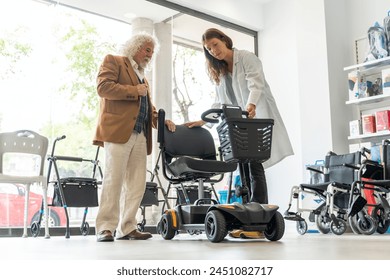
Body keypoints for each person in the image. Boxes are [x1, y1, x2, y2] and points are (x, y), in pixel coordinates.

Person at [184, 28, 293, 239]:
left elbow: (256, 83)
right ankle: (246, 214)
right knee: (242, 163)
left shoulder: (246, 58)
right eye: (209, 49)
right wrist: (203, 120)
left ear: (224, 40)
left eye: (215, 44)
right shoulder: (221, 72)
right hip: (238, 123)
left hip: (255, 116)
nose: (213, 51)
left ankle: (258, 217)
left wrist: (251, 105)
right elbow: (220, 101)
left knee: (254, 163)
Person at [93, 32, 176, 242]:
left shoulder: (143, 77)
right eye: (147, 49)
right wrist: (134, 90)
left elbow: (148, 107)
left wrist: (161, 120)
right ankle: (105, 227)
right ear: (135, 46)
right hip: (118, 131)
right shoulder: (114, 61)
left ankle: (128, 227)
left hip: (140, 135)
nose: (150, 54)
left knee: (137, 183)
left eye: (152, 51)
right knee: (114, 180)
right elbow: (103, 88)